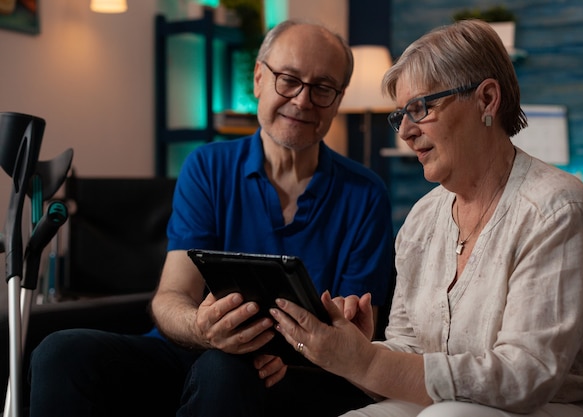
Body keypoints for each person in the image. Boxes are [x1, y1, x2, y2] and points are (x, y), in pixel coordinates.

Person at [28, 19, 394, 417]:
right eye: (288, 79)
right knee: (59, 351)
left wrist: (284, 354)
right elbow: (171, 297)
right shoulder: (207, 167)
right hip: (190, 351)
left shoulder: (365, 193)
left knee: (227, 369)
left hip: (294, 374)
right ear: (258, 78)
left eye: (322, 88)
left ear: (338, 99)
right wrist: (203, 329)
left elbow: (357, 337)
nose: (303, 101)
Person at [268, 19, 583, 417]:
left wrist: (365, 363)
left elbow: (525, 378)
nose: (404, 130)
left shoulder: (557, 209)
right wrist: (354, 348)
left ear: (487, 99)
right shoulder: (421, 220)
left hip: (570, 405)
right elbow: (411, 349)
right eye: (400, 114)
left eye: (420, 108)